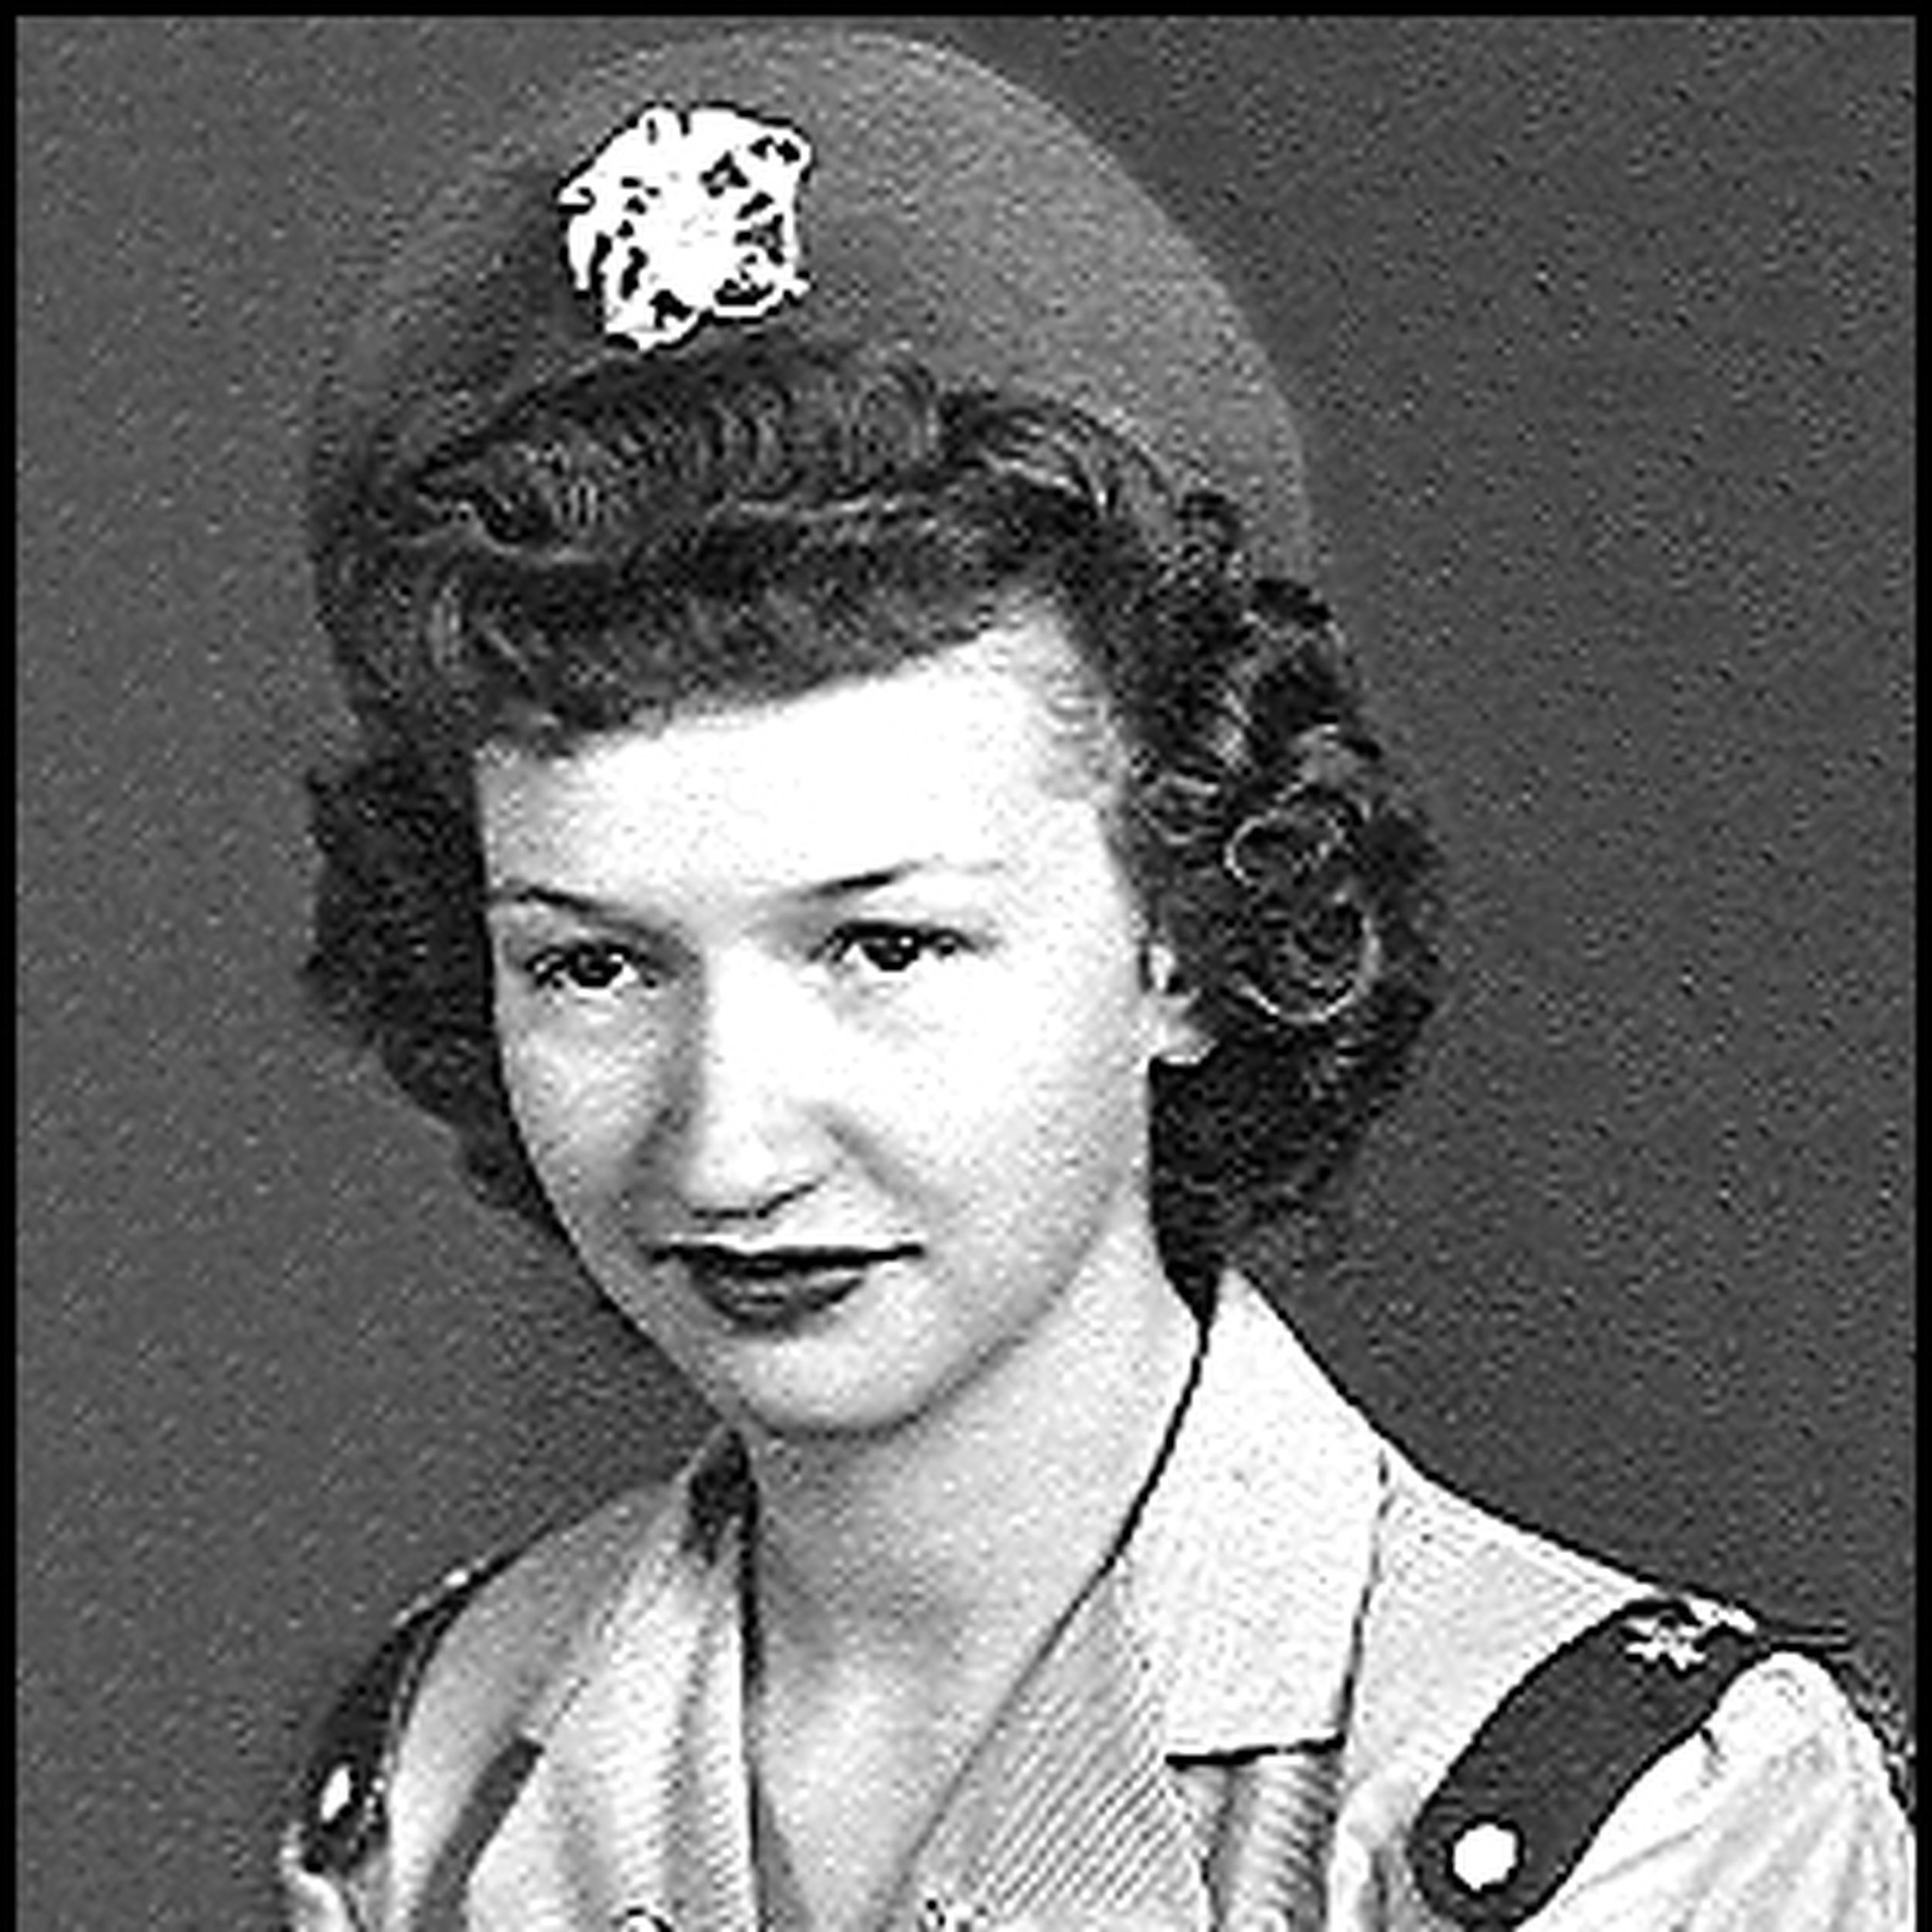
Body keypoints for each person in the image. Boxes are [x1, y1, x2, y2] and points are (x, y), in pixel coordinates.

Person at [281, 28, 1912, 1930]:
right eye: (589, 963)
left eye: (883, 944)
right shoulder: (440, 1766)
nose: (724, 1148)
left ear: (1188, 933)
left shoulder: (1622, 1821)